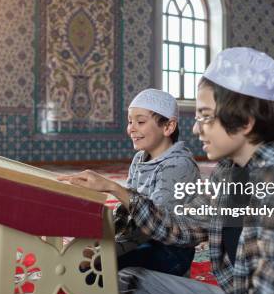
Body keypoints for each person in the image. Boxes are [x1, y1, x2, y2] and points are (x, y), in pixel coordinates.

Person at [61, 48, 274, 294]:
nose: (195, 129)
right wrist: (116, 190)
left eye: (205, 116)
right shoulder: (229, 171)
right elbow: (180, 227)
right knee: (128, 280)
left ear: (245, 122)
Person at [60, 88, 199, 276]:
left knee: (94, 270)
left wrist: (112, 187)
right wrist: (101, 242)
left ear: (168, 127)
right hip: (142, 240)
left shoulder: (180, 165)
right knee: (82, 258)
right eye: (130, 121)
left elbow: (158, 226)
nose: (131, 128)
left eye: (140, 122)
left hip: (170, 251)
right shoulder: (140, 159)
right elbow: (127, 215)